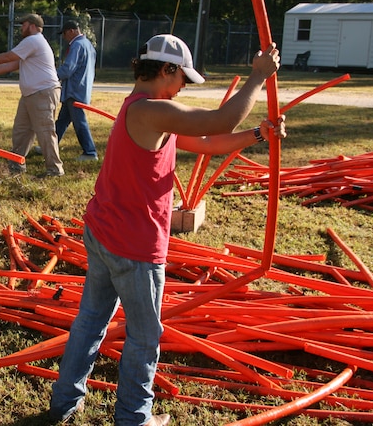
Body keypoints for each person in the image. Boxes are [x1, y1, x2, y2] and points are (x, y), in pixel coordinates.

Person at [49, 34, 285, 426]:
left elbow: (208, 140)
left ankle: (64, 403)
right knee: (143, 339)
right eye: (182, 80)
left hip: (105, 234)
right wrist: (258, 76)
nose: (182, 88)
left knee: (91, 321)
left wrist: (258, 134)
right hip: (133, 249)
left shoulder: (144, 111)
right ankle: (133, 419)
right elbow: (219, 119)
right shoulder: (151, 111)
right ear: (166, 69)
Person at [0, 13, 64, 177]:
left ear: (32, 26)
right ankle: (16, 165)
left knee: (45, 131)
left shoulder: (33, 40)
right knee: (21, 131)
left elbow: (8, 57)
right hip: (31, 94)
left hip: (42, 93)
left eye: (24, 24)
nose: (21, 28)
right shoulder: (31, 44)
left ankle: (55, 170)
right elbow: (13, 64)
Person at [55, 20, 98, 161]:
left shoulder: (77, 45)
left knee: (79, 122)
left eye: (65, 34)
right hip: (80, 89)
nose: (64, 37)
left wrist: (52, 76)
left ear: (71, 31)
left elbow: (68, 69)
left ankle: (90, 152)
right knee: (62, 121)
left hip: (74, 90)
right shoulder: (88, 45)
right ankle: (50, 146)